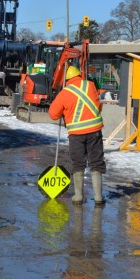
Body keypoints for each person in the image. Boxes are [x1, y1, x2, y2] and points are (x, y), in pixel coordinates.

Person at [49, 65, 106, 206]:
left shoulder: (64, 93)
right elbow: (98, 105)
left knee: (78, 163)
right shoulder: (90, 85)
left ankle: (78, 196)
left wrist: (65, 111)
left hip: (76, 135)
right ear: (79, 75)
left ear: (67, 79)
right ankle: (98, 197)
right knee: (96, 162)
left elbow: (53, 114)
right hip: (94, 131)